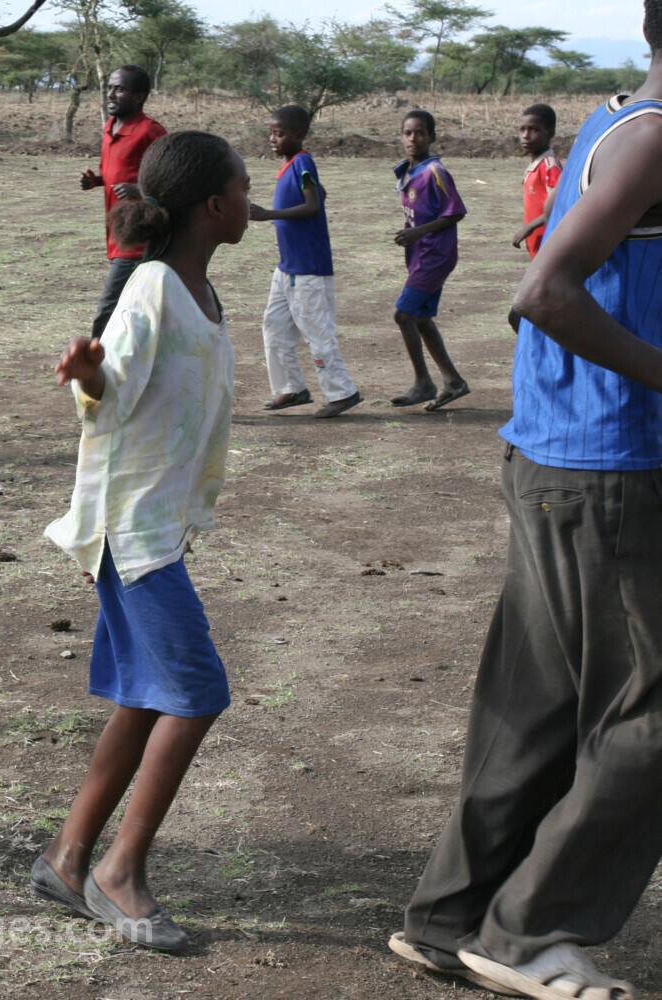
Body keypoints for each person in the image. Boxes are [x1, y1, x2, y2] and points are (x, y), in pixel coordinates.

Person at [394, 6, 662, 995]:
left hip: (564, 457)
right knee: (651, 709)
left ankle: (452, 917)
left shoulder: (619, 118)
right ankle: (531, 931)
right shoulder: (654, 136)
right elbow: (544, 292)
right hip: (609, 467)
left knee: (537, 702)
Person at [34, 132, 244, 951]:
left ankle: (67, 860)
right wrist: (90, 373)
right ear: (215, 206)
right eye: (244, 187)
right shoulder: (153, 285)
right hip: (131, 531)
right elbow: (110, 393)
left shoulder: (201, 291)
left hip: (160, 527)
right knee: (197, 691)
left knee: (148, 696)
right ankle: (118, 873)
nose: (251, 199)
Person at [249, 104, 361, 418]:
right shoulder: (289, 164)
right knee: (274, 327)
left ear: (298, 135)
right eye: (271, 133)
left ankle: (343, 393)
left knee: (316, 332)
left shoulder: (302, 161)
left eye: (279, 134)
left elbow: (313, 205)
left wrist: (268, 214)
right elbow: (319, 192)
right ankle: (291, 389)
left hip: (308, 268)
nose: (273, 139)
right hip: (288, 265)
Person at [80, 66, 167, 338]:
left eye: (119, 89)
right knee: (134, 307)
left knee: (108, 309)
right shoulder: (110, 127)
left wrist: (138, 190)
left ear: (139, 97)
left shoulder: (151, 131)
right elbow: (117, 174)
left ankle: (94, 356)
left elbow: (171, 179)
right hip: (117, 234)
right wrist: (97, 181)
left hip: (139, 237)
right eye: (110, 88)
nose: (110, 94)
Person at [391, 110, 470, 411]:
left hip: (435, 255)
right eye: (408, 133)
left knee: (403, 315)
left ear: (432, 137)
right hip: (420, 254)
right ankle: (453, 381)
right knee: (421, 318)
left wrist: (418, 232)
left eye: (420, 133)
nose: (414, 138)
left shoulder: (435, 171)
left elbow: (456, 212)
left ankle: (423, 383)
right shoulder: (408, 172)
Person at [512, 103, 562, 258]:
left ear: (550, 133)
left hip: (549, 246)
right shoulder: (536, 165)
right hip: (538, 246)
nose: (526, 136)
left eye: (534, 130)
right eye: (522, 130)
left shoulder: (549, 166)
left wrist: (529, 227)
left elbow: (561, 204)